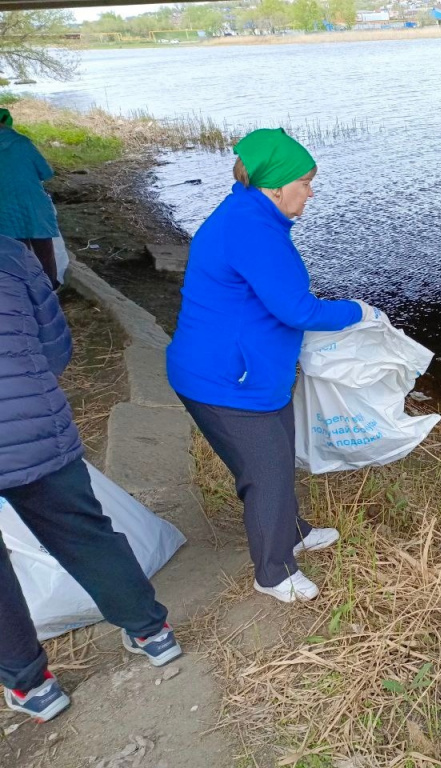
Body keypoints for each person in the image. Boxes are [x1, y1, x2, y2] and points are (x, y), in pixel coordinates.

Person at [166, 128, 383, 604]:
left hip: (249, 373)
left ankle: (294, 531)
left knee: (279, 457)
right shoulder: (251, 230)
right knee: (265, 473)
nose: (310, 192)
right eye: (305, 182)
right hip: (224, 381)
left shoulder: (250, 213)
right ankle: (274, 571)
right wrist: (359, 311)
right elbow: (298, 310)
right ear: (277, 185)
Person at [0, 236, 181, 724]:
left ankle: (33, 687)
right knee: (85, 532)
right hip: (37, 428)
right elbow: (55, 348)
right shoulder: (10, 254)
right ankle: (151, 633)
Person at [0, 108, 60, 288]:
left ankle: (26, 296)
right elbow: (46, 172)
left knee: (20, 257)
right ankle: (49, 293)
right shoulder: (23, 143)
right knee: (45, 256)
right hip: (35, 208)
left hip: (5, 211)